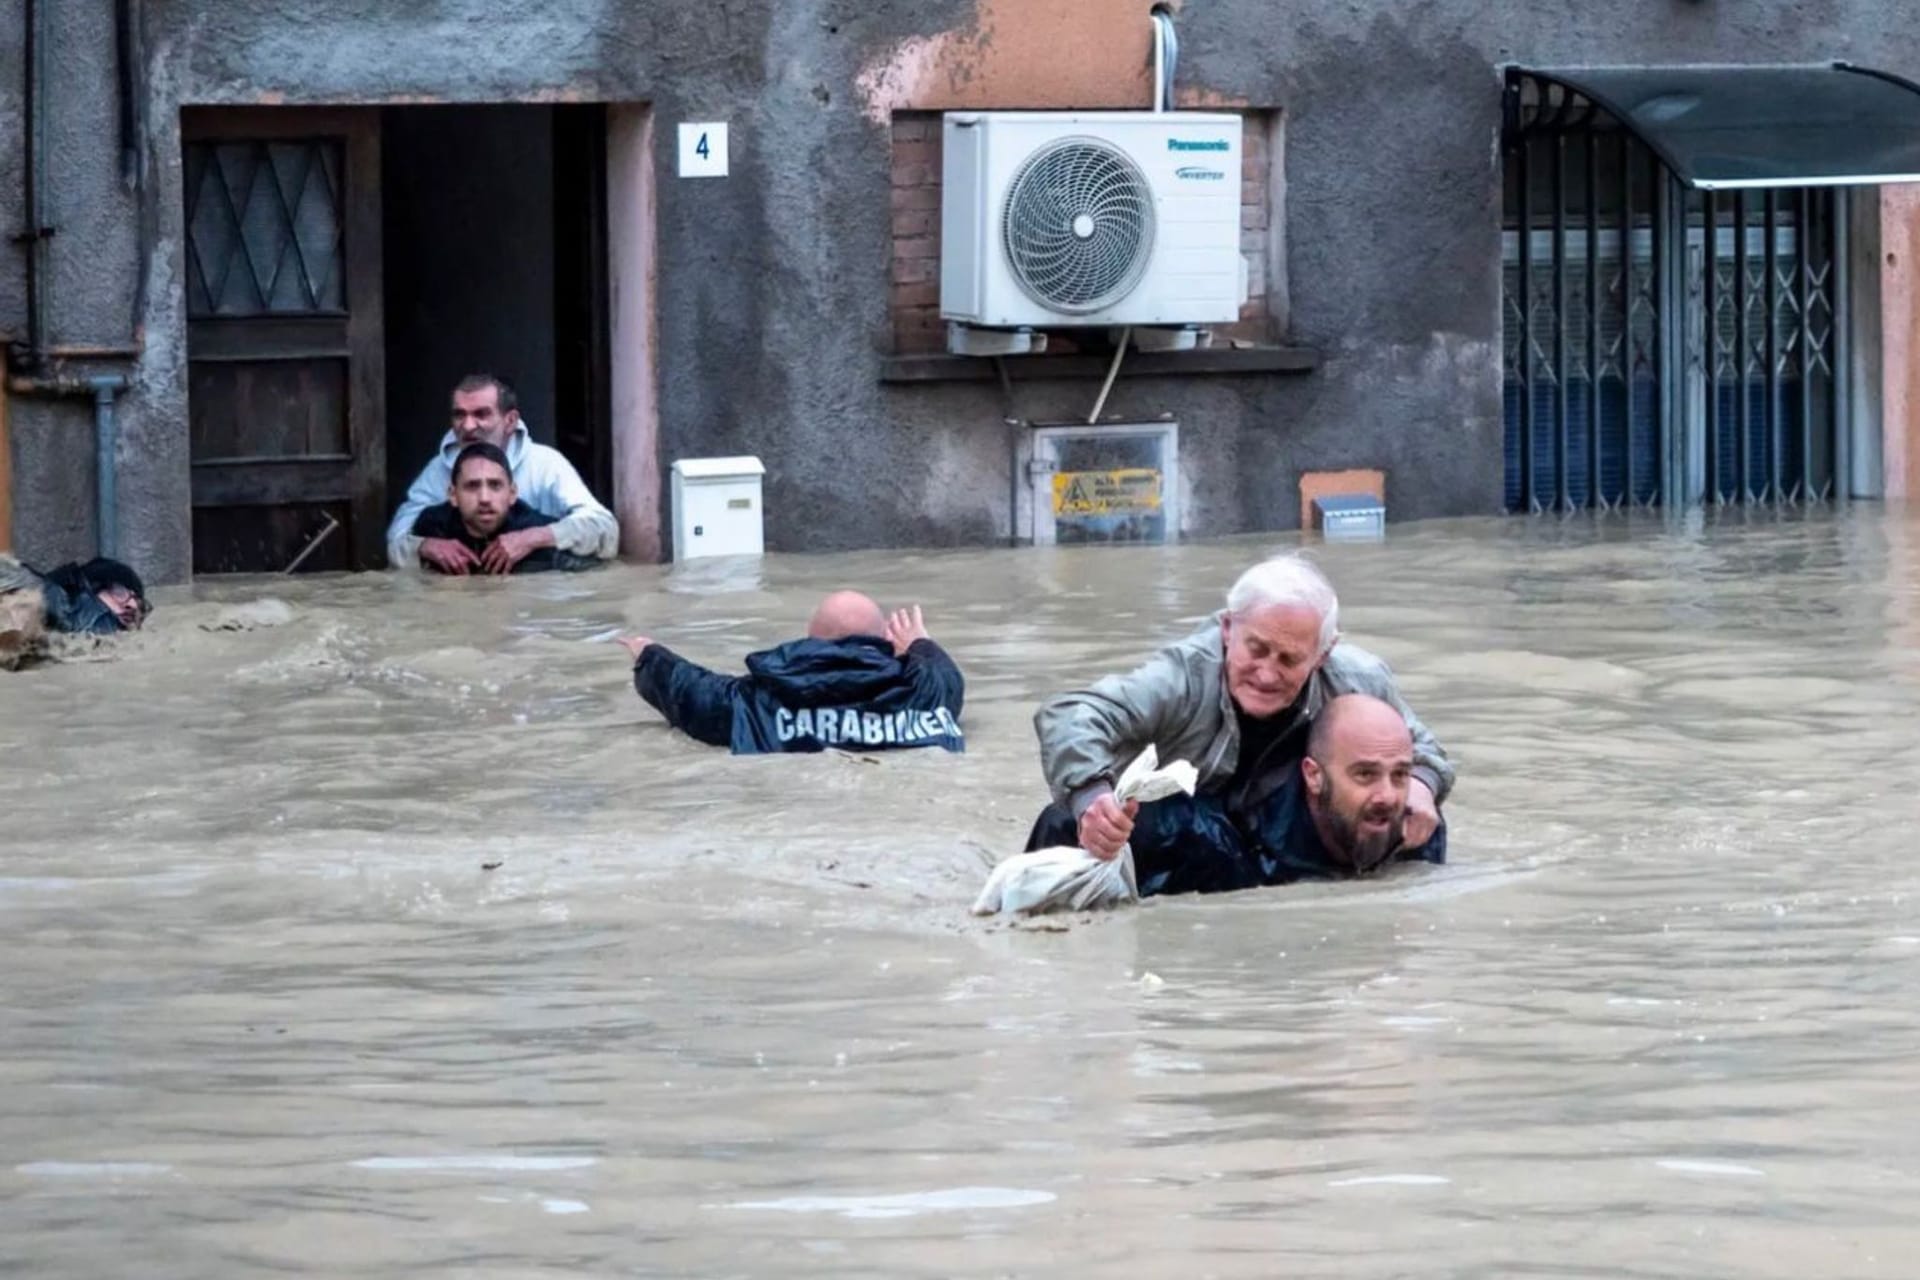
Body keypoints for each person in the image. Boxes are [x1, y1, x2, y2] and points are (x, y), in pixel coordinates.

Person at [1027, 552, 1453, 862]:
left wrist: (1420, 784)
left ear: (1323, 655)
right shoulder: (1182, 677)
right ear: (1228, 629)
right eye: (1257, 649)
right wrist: (1092, 798)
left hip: (1276, 831)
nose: (1267, 675)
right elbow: (1070, 714)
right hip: (1188, 825)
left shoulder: (1359, 679)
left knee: (1413, 819)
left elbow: (1426, 752)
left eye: (1289, 660)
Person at [1037, 693, 1446, 897]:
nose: (1388, 796)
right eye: (1365, 775)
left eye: (1400, 775)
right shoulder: (1201, 840)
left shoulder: (1416, 830)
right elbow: (1058, 824)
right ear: (1314, 776)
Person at [621, 591, 966, 754]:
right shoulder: (924, 691)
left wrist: (649, 656)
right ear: (885, 643)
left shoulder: (759, 697)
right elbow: (948, 684)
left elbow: (695, 695)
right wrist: (923, 647)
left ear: (810, 642)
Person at [386, 374, 618, 573]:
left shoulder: (545, 464)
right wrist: (425, 547)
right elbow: (395, 544)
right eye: (459, 415)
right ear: (452, 493)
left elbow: (606, 532)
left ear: (510, 421)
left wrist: (532, 539)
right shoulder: (437, 471)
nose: (467, 426)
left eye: (481, 414)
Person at [408, 443, 601, 575]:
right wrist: (421, 547)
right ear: (453, 495)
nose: (484, 498)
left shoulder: (537, 536)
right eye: (472, 486)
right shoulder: (432, 527)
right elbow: (393, 554)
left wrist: (532, 540)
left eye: (495, 486)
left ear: (512, 493)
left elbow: (598, 573)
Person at [0, 554, 150, 669]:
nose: (131, 605)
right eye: (120, 592)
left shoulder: (107, 650)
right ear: (88, 586)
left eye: (138, 604)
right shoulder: (30, 590)